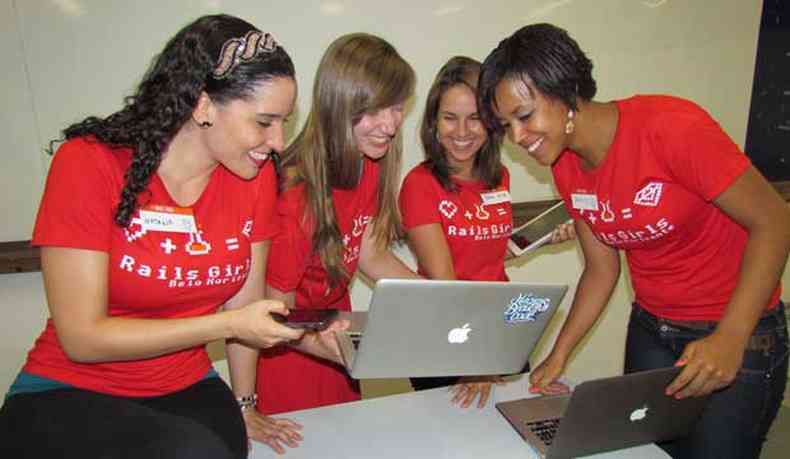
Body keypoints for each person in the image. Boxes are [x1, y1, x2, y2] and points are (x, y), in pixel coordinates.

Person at [0, 14, 313, 459]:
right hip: (73, 387)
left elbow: (247, 311)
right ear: (203, 106)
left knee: (221, 448)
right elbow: (82, 337)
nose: (279, 141)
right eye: (264, 122)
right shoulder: (89, 163)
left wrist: (246, 405)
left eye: (283, 121)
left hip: (185, 384)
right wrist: (224, 324)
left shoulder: (255, 177)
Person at [477, 23, 790, 458]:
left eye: (525, 116)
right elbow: (602, 269)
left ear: (566, 90)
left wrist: (731, 337)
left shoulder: (671, 128)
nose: (516, 137)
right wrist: (558, 355)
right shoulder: (565, 164)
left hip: (737, 328)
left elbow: (774, 220)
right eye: (505, 125)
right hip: (653, 330)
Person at [228, 33, 420, 453]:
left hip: (336, 336)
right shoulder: (295, 193)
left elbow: (368, 252)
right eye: (374, 110)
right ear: (340, 104)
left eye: (396, 106)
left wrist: (436, 295)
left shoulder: (367, 161)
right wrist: (348, 354)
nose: (390, 124)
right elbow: (278, 313)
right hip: (289, 353)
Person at [398, 56, 510, 407]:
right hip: (448, 336)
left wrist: (539, 237)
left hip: (501, 329)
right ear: (433, 122)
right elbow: (446, 279)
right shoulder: (419, 185)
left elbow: (484, 250)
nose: (462, 132)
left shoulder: (500, 176)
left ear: (491, 122)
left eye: (475, 118)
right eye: (450, 118)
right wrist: (475, 363)